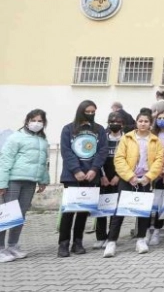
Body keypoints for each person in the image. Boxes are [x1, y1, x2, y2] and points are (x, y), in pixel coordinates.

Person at [102, 111, 164, 258]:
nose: (143, 123)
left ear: (150, 123)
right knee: (120, 211)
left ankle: (141, 239)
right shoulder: (127, 138)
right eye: (140, 121)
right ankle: (111, 241)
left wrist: (148, 177)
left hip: (145, 180)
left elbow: (159, 161)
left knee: (143, 211)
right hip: (128, 179)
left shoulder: (155, 141)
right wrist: (130, 176)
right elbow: (119, 159)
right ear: (136, 122)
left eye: (146, 121)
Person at [57, 100, 108, 258]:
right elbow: (66, 151)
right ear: (81, 111)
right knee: (69, 211)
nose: (91, 114)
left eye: (94, 111)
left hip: (91, 176)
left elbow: (102, 151)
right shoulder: (68, 129)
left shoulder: (99, 130)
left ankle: (77, 242)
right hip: (72, 176)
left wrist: (94, 169)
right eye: (88, 111)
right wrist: (76, 170)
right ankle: (63, 243)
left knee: (83, 211)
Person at [0, 109, 49, 262]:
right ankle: (0, 248)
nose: (36, 123)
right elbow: (5, 160)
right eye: (33, 120)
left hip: (30, 182)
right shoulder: (16, 137)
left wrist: (43, 180)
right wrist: (2, 183)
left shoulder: (42, 140)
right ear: (27, 121)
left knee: (20, 215)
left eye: (40, 121)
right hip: (13, 180)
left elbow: (43, 163)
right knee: (6, 214)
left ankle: (12, 246)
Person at [93, 112, 124, 249]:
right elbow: (97, 158)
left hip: (119, 178)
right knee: (102, 208)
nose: (114, 123)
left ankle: (112, 236)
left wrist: (119, 175)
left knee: (115, 208)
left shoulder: (126, 139)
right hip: (103, 177)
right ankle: (100, 237)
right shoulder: (102, 138)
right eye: (111, 121)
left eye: (117, 121)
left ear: (122, 123)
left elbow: (129, 159)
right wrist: (102, 176)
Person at [147, 110, 164, 246]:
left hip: (163, 174)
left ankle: (156, 231)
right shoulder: (151, 134)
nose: (162, 120)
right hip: (149, 173)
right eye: (160, 118)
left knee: (160, 204)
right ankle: (145, 231)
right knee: (148, 205)